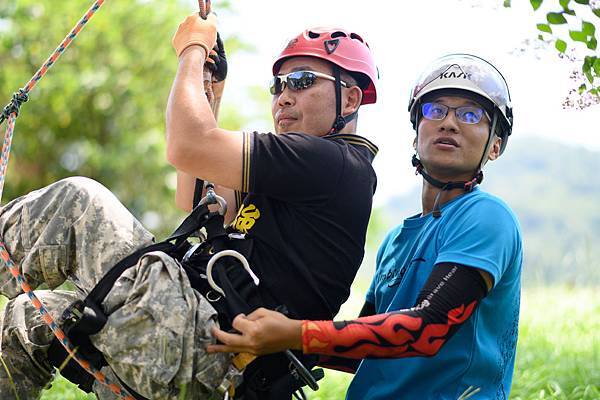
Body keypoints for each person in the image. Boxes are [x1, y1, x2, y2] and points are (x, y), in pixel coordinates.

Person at [0, 12, 380, 400]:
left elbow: (187, 145)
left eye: (301, 81)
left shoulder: (334, 164)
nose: (283, 96)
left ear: (349, 98)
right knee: (27, 317)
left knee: (80, 202)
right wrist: (210, 87)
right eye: (278, 84)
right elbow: (198, 197)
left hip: (203, 353)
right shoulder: (301, 178)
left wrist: (191, 51)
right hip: (188, 354)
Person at [209, 54, 523, 400]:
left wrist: (297, 334)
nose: (449, 123)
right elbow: (361, 350)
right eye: (435, 110)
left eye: (470, 115)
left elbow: (429, 327)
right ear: (416, 131)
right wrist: (267, 334)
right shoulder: (396, 242)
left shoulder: (486, 216)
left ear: (495, 146)